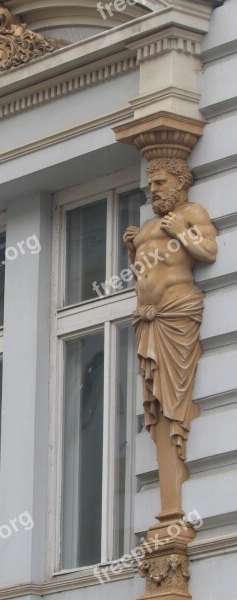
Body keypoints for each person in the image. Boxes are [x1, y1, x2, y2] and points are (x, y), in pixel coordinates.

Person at [123, 158, 217, 522]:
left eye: (161, 182)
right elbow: (144, 274)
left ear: (179, 182)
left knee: (173, 400)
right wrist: (133, 250)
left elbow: (208, 252)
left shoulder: (192, 212)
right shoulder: (146, 227)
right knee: (156, 399)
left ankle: (174, 503)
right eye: (152, 183)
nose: (154, 189)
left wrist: (183, 232)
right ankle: (168, 504)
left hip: (176, 315)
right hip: (148, 318)